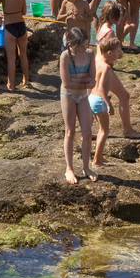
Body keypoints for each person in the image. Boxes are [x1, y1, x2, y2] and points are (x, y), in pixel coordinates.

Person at [59, 28, 97, 184]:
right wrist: (84, 82)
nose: (83, 49)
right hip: (68, 95)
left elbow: (93, 78)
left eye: (85, 45)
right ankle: (69, 168)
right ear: (71, 45)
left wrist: (82, 82)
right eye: (80, 46)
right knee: (70, 131)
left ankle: (86, 167)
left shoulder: (89, 54)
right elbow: (66, 84)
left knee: (87, 132)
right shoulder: (65, 56)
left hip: (82, 96)